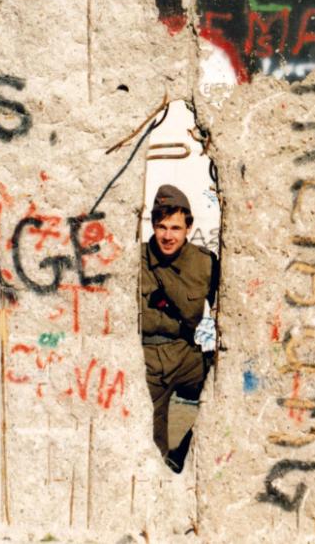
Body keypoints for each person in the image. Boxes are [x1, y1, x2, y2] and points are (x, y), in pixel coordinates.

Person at [139, 184, 218, 472]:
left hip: (185, 354)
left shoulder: (205, 264)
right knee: (151, 441)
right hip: (146, 358)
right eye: (161, 227)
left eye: (175, 227)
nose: (168, 236)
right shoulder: (138, 260)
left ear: (189, 226)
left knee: (215, 393)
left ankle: (184, 458)